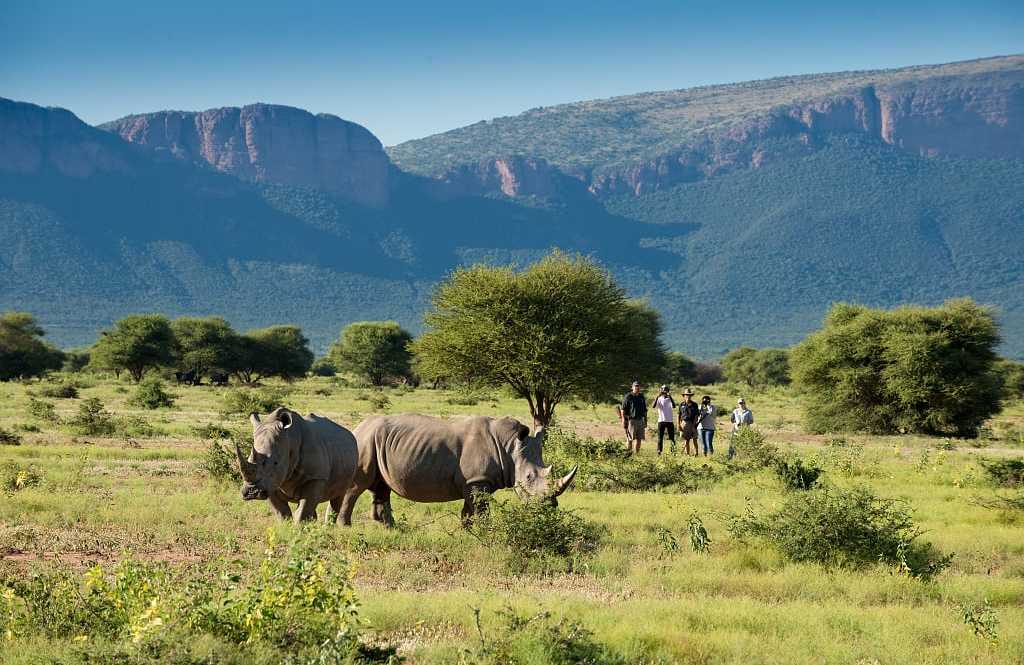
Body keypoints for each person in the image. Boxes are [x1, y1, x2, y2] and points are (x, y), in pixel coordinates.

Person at [620, 381, 647, 455]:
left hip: (640, 420)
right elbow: (623, 409)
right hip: (631, 420)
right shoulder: (628, 396)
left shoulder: (641, 396)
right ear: (632, 387)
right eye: (635, 386)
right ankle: (628, 454)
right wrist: (623, 420)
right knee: (630, 439)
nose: (637, 387)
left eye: (638, 386)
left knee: (639, 439)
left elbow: (645, 410)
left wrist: (645, 421)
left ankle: (636, 454)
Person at [651, 385, 676, 455]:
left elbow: (674, 406)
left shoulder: (669, 399)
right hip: (661, 420)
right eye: (663, 390)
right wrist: (657, 397)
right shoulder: (659, 398)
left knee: (672, 437)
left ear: (668, 391)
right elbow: (653, 406)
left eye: (666, 390)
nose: (664, 391)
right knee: (660, 437)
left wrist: (670, 396)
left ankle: (673, 451)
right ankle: (659, 451)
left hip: (669, 421)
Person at [677, 388, 700, 456]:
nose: (688, 396)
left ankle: (696, 453)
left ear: (691, 396)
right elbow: (679, 415)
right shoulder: (681, 404)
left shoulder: (694, 404)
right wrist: (679, 424)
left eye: (689, 395)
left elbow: (696, 416)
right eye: (686, 395)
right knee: (686, 439)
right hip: (684, 422)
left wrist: (693, 425)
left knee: (694, 439)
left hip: (692, 422)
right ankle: (688, 454)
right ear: (684, 396)